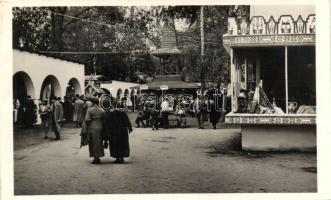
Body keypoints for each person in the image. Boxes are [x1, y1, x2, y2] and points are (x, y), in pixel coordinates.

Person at [85, 97, 105, 164]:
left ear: (92, 103)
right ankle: (98, 156)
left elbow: (87, 119)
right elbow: (104, 119)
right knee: (99, 142)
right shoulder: (102, 110)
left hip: (92, 127)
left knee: (93, 142)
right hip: (100, 127)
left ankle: (95, 158)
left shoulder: (89, 110)